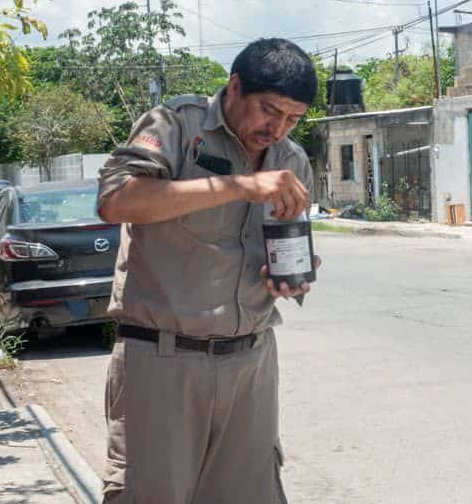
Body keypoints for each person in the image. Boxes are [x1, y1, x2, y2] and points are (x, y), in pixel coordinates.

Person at [96, 38, 319, 503]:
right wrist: (238, 186)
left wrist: (290, 277)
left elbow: (285, 241)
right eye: (268, 110)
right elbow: (117, 201)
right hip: (163, 361)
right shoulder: (176, 125)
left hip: (252, 363)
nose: (277, 129)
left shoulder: (291, 161)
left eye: (292, 119)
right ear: (234, 86)